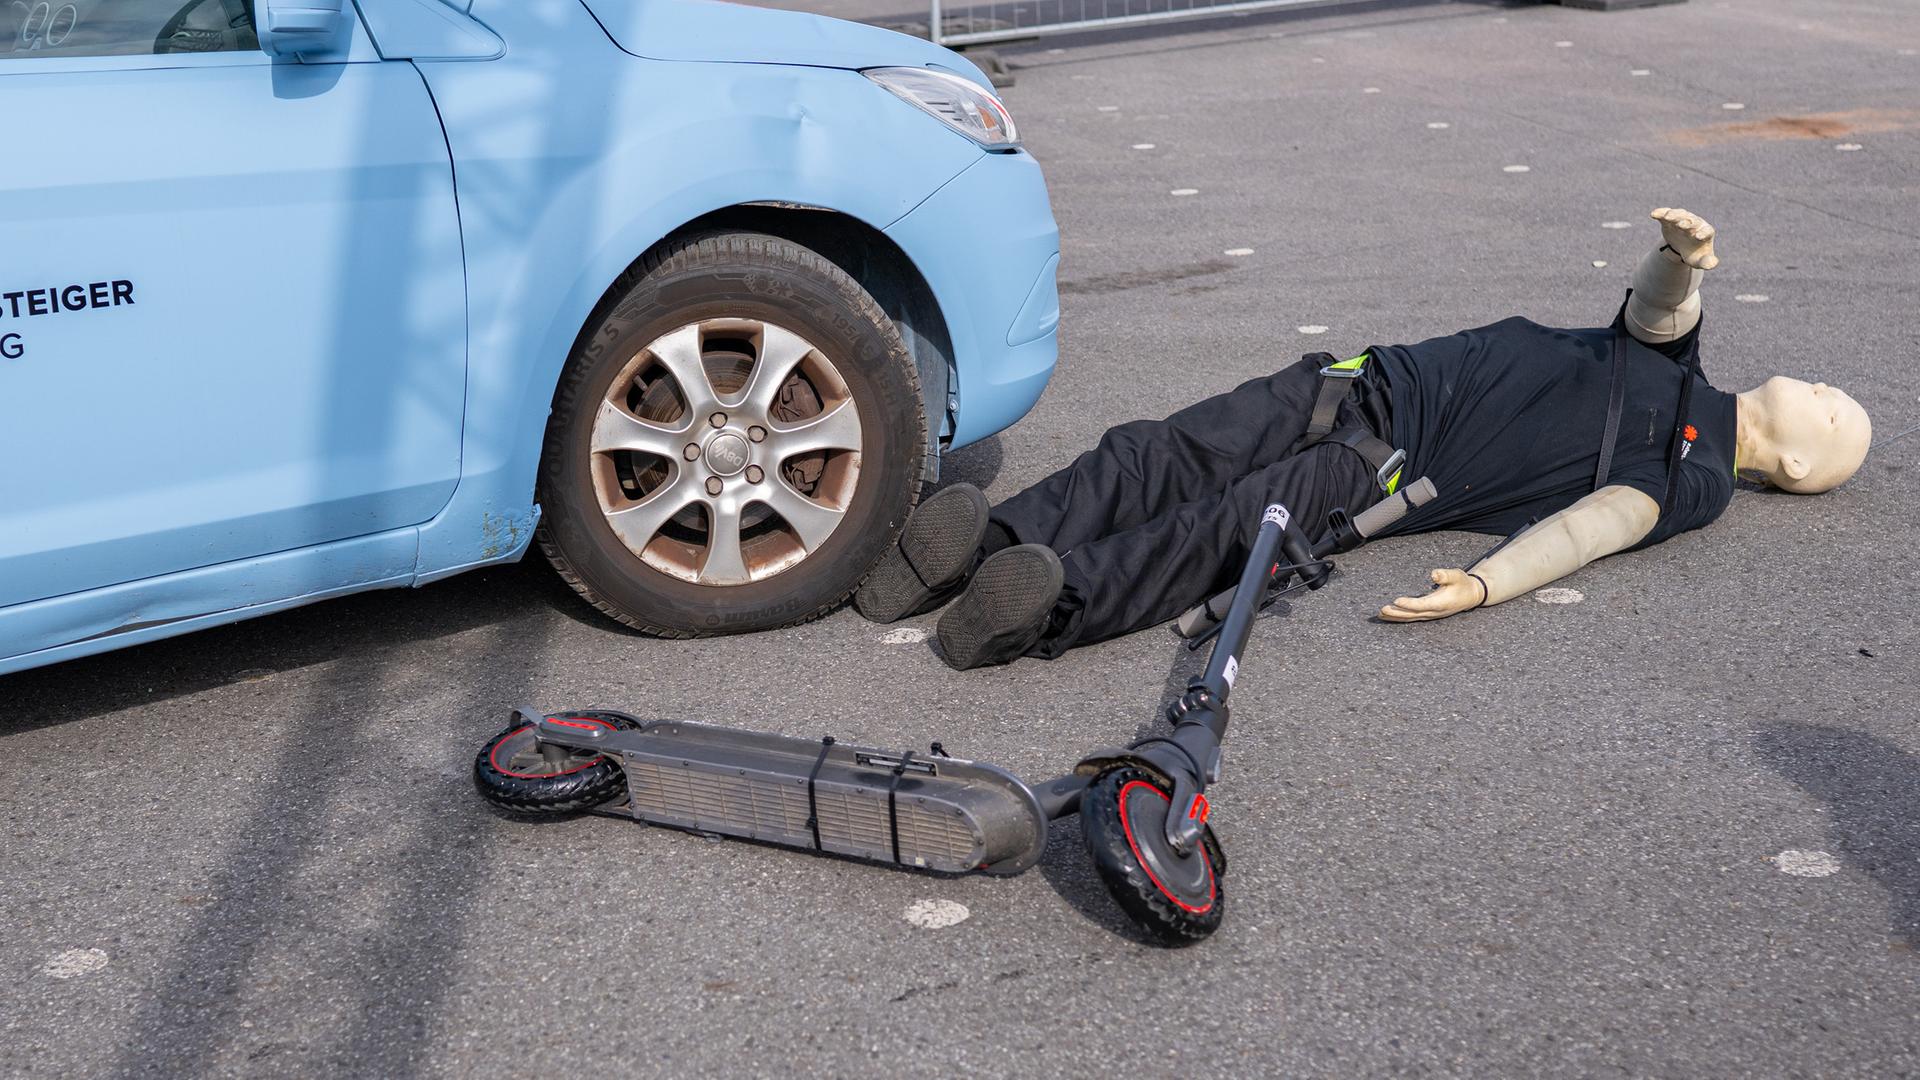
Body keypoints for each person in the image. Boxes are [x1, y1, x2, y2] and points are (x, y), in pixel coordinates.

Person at [853, 208, 1873, 669]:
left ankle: (1041, 607)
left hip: (1385, 466)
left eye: (1833, 414)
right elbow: (1658, 311)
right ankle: (986, 542)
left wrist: (1489, 583)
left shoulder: (1699, 475)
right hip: (1356, 378)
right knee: (1154, 451)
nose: (1825, 389)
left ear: (1794, 467)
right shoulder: (1682, 367)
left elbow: (1599, 526)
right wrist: (1679, 257)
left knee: (1217, 530)